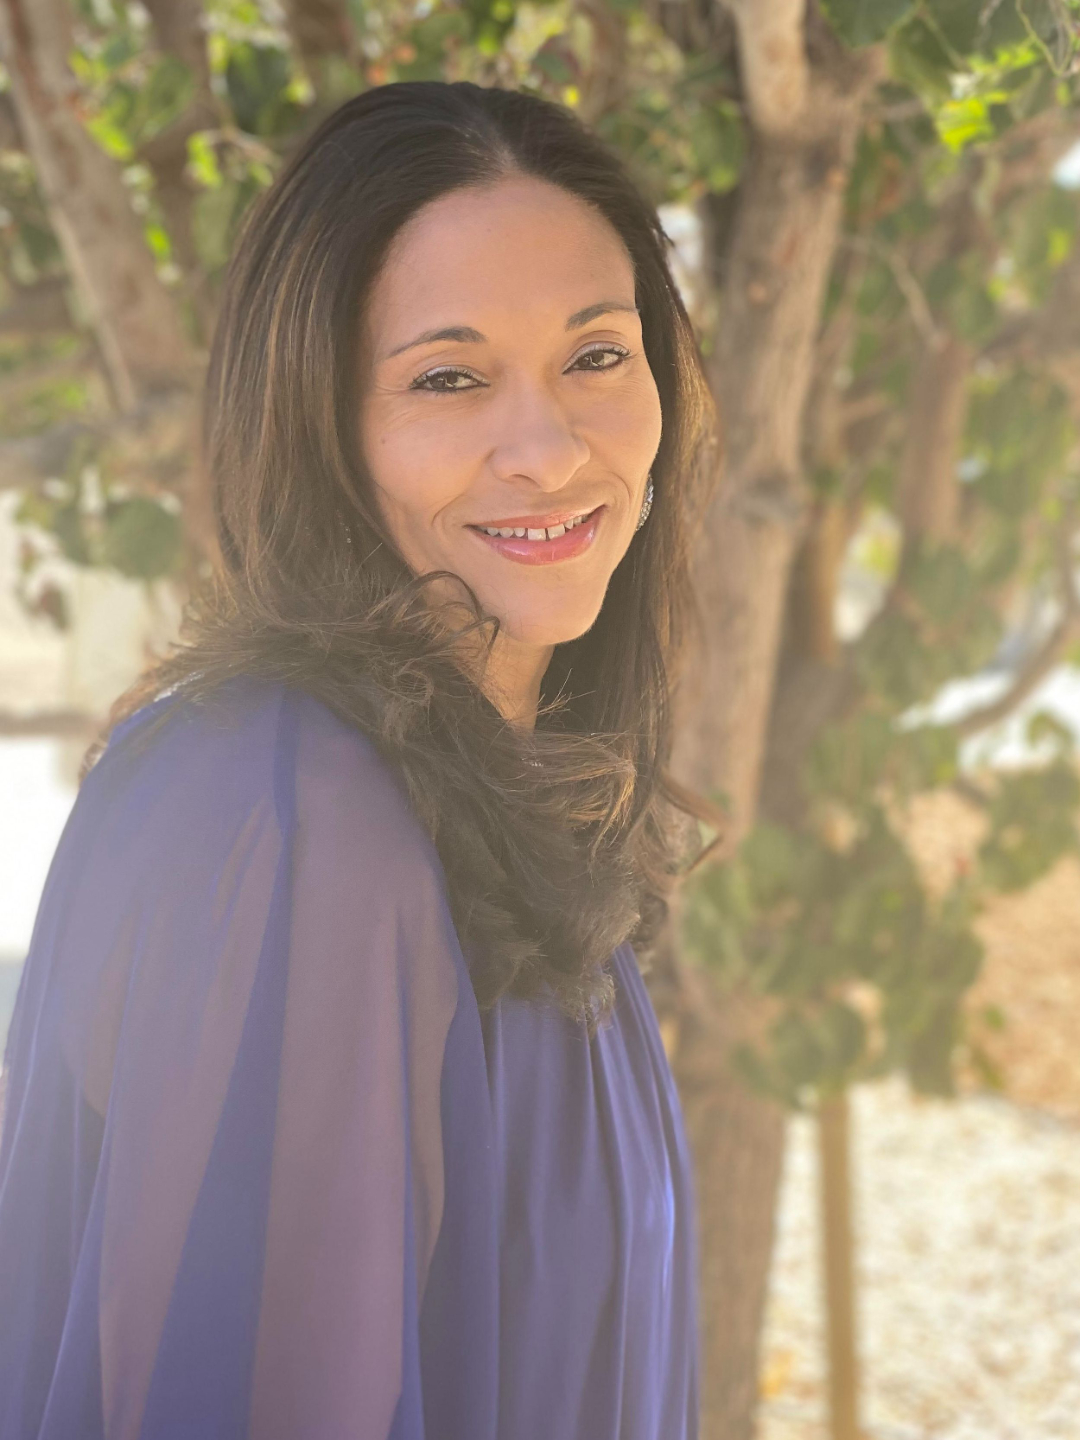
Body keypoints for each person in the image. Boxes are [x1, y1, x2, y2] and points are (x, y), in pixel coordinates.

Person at [0, 79, 718, 1439]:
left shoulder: (511, 806)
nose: (549, 448)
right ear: (320, 422)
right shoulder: (286, 813)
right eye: (449, 377)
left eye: (597, 355)